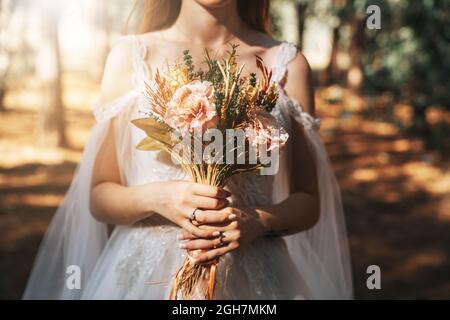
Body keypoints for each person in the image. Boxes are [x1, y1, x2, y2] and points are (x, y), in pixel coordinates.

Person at [23, 0, 353, 299]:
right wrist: (158, 198)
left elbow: (308, 201)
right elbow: (99, 195)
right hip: (145, 280)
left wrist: (258, 221)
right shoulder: (131, 57)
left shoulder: (287, 65)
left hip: (254, 284)